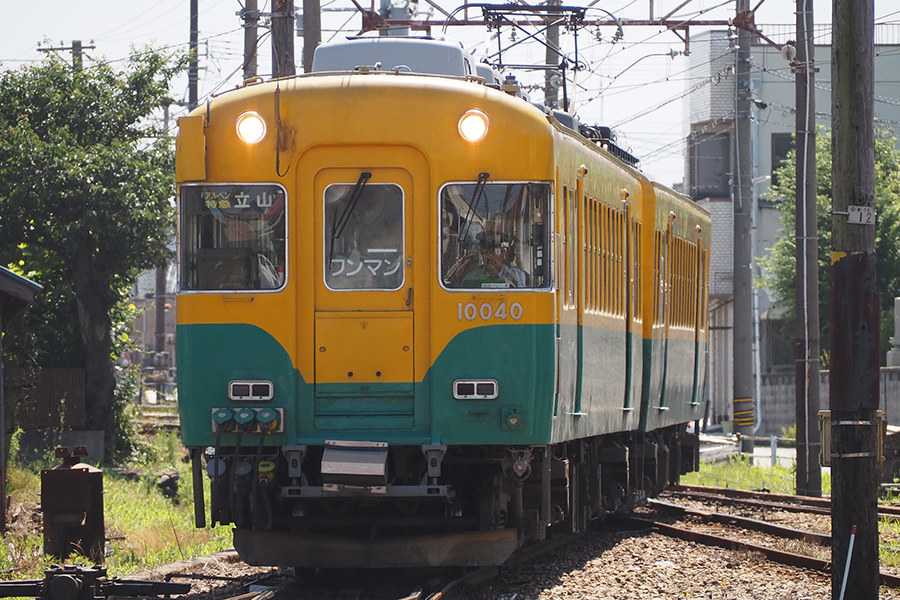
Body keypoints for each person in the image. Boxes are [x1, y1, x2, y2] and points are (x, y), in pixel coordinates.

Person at [461, 233, 526, 288]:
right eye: (485, 253)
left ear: (504, 254)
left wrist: (505, 273)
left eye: (493, 253)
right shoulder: (471, 277)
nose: (489, 257)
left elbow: (521, 295)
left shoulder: (517, 275)